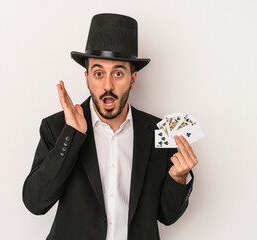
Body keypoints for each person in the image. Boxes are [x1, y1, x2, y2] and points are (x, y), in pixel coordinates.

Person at [23, 13, 198, 240]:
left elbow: (166, 215)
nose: (107, 85)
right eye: (98, 73)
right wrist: (71, 135)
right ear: (86, 78)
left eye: (117, 73)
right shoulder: (57, 128)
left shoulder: (159, 131)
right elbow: (36, 203)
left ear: (132, 79)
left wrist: (178, 177)